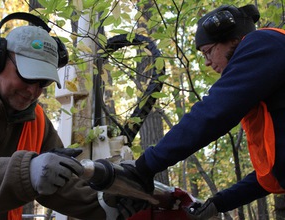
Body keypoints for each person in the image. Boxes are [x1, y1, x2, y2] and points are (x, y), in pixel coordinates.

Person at [0, 21, 145, 219]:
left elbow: (64, 185)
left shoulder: (38, 123)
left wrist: (107, 201)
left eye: (42, 82)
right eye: (27, 76)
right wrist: (27, 172)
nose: (32, 91)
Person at [120, 3, 285, 219]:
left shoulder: (262, 43)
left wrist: (145, 166)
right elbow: (276, 172)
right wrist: (221, 202)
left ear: (233, 39)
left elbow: (214, 112)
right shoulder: (267, 72)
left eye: (208, 51)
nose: (207, 62)